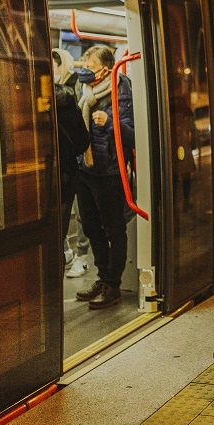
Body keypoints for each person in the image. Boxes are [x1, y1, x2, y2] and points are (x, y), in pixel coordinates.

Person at [73, 45, 136, 310]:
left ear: (106, 69)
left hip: (108, 171)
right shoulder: (84, 90)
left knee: (113, 229)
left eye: (90, 66)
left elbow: (130, 132)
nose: (85, 70)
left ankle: (113, 284)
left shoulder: (120, 89)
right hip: (85, 169)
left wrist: (108, 121)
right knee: (90, 226)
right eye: (84, 65)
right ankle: (102, 276)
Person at [52, 48, 91, 270]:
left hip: (48, 178)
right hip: (68, 173)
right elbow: (83, 140)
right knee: (61, 229)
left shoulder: (30, 99)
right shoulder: (69, 99)